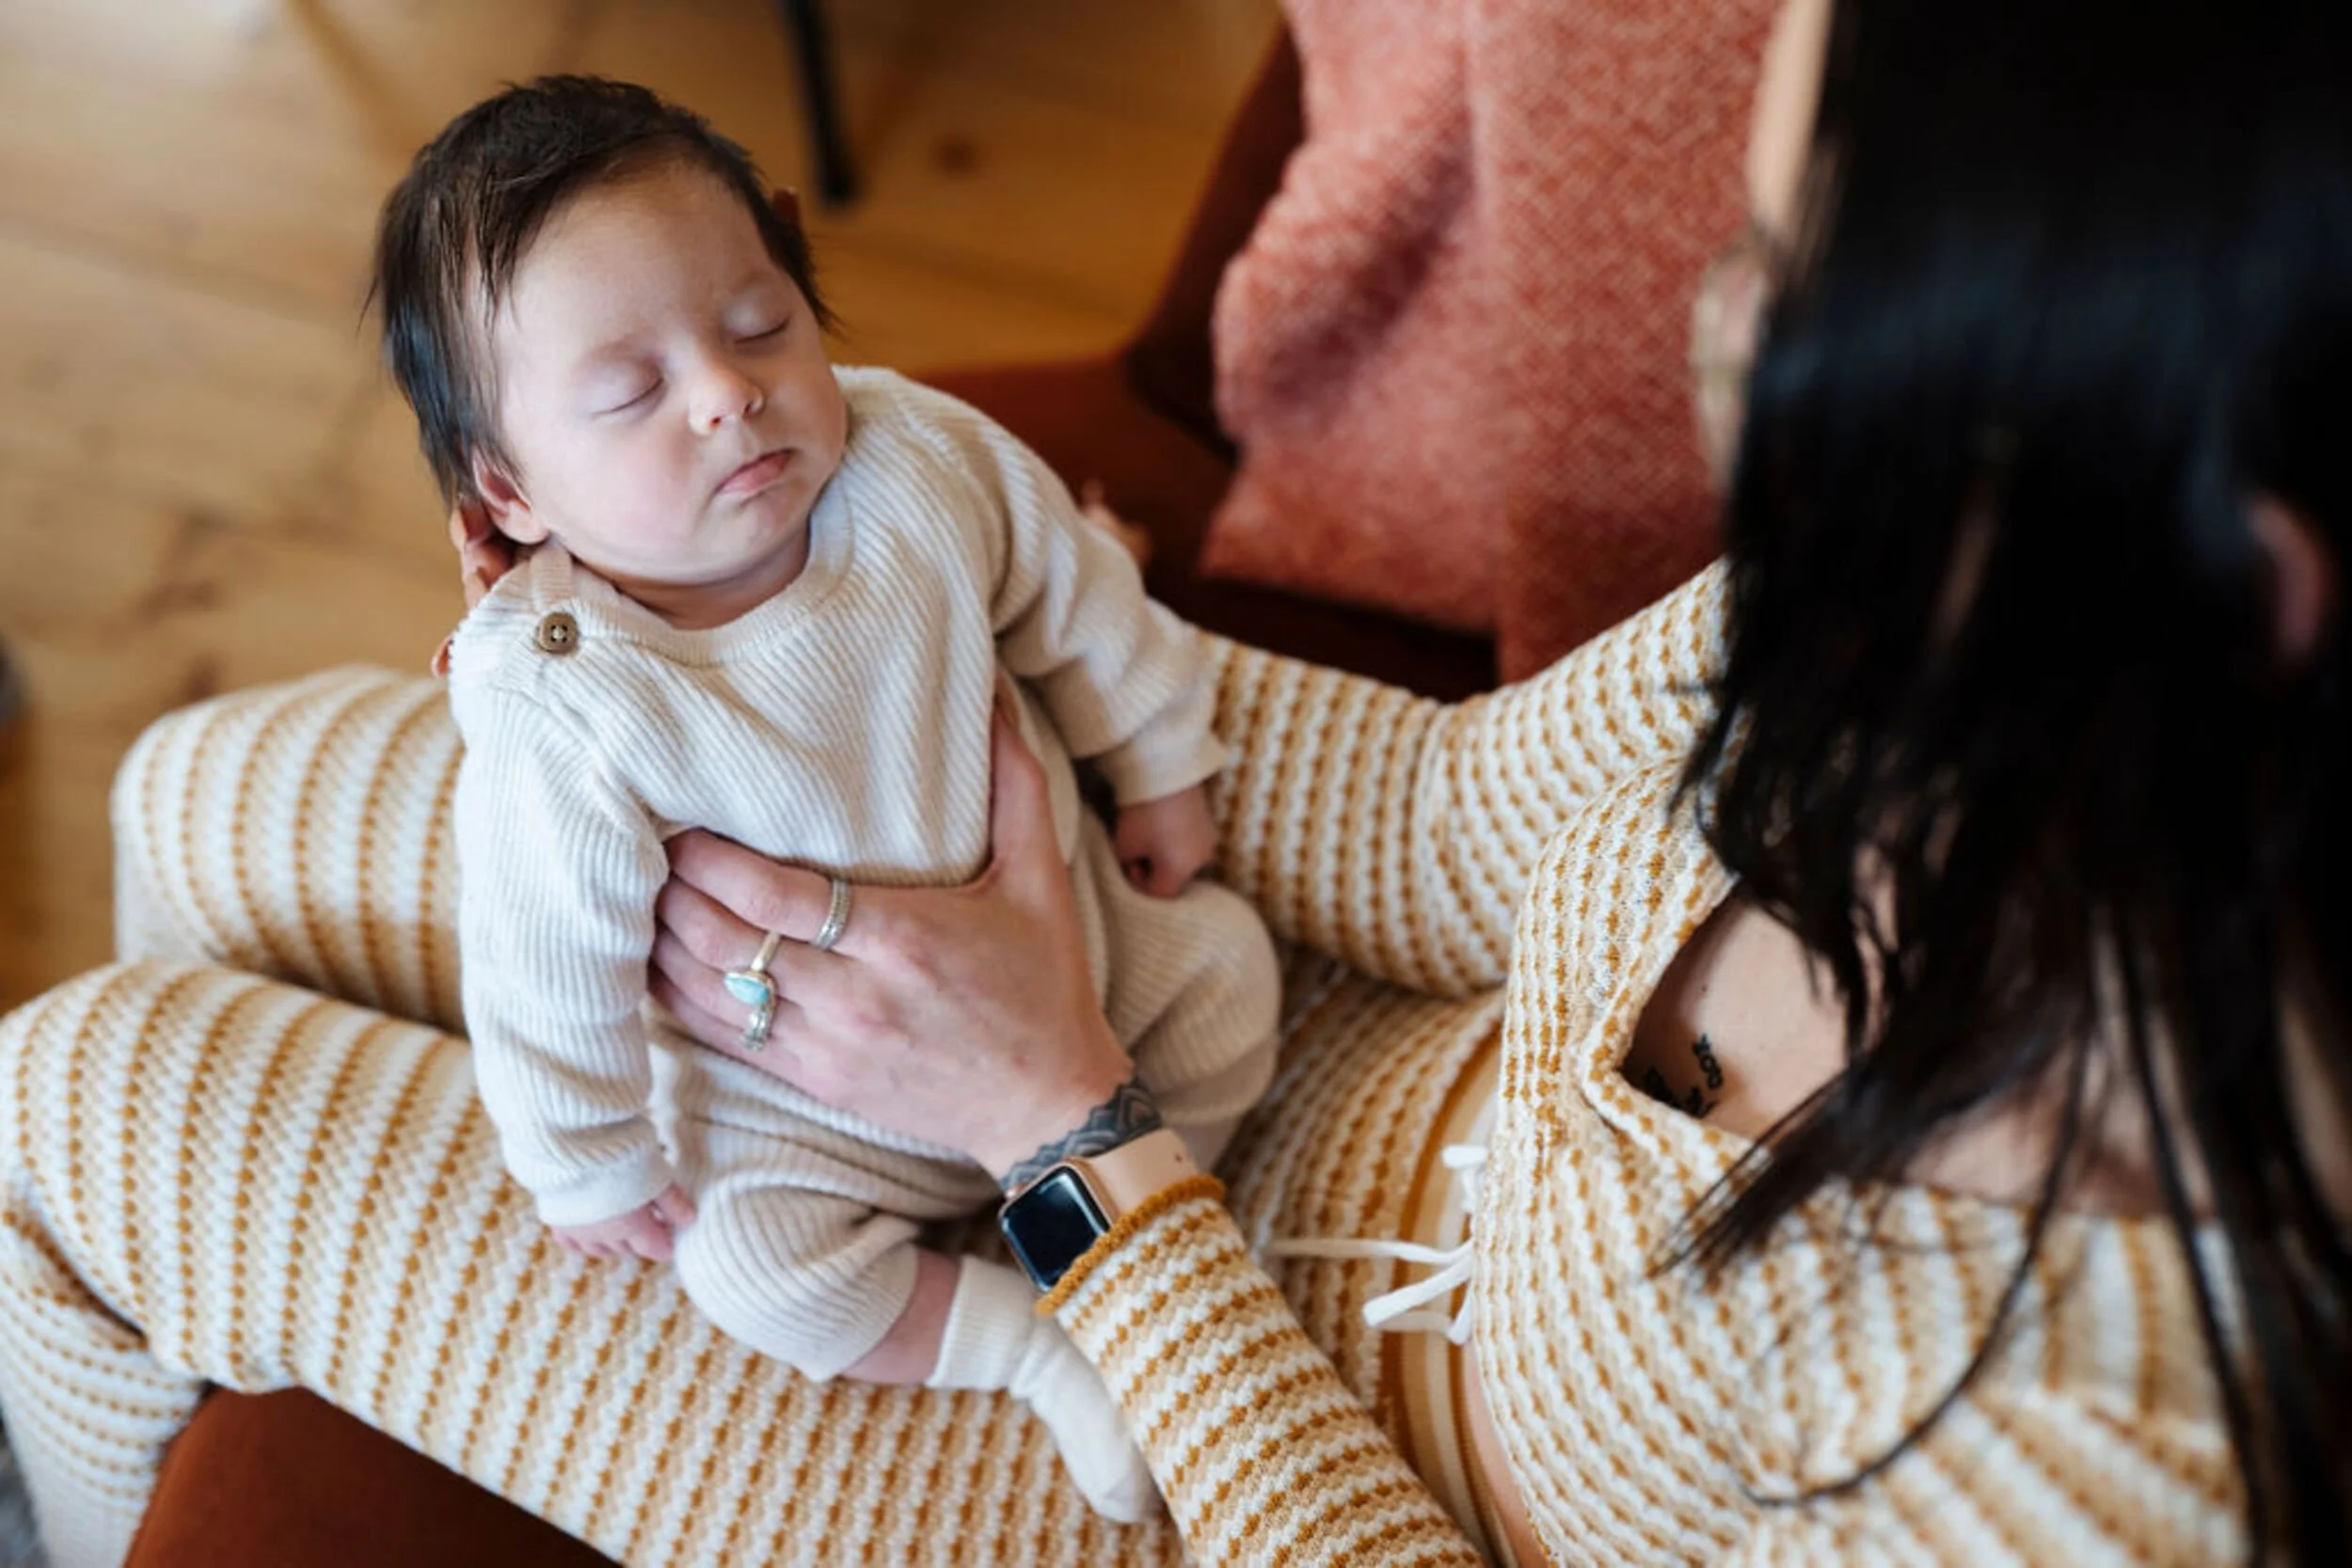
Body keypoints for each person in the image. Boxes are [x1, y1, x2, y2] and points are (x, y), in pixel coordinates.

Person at [1, 0, 2344, 1562]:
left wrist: (1065, 1139)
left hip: (1162, 1443)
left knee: (68, 1106)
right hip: (1250, 1022)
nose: (1710, 363)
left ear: (2221, 578)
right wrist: (1022, 662)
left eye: (1780, 301)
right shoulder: (1933, 663)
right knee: (205, 792)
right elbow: (1453, 825)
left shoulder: (2134, 1459)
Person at [373, 77, 1282, 1523]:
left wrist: (1164, 757)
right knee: (747, 1271)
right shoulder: (572, 700)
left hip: (1085, 989)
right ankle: (1033, 1347)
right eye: (631, 392)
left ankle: (1130, 1243)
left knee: (1231, 975)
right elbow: (544, 967)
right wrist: (586, 1158)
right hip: (795, 1107)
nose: (729, 392)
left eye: (759, 325)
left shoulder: (913, 462)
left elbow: (1075, 595)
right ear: (511, 492)